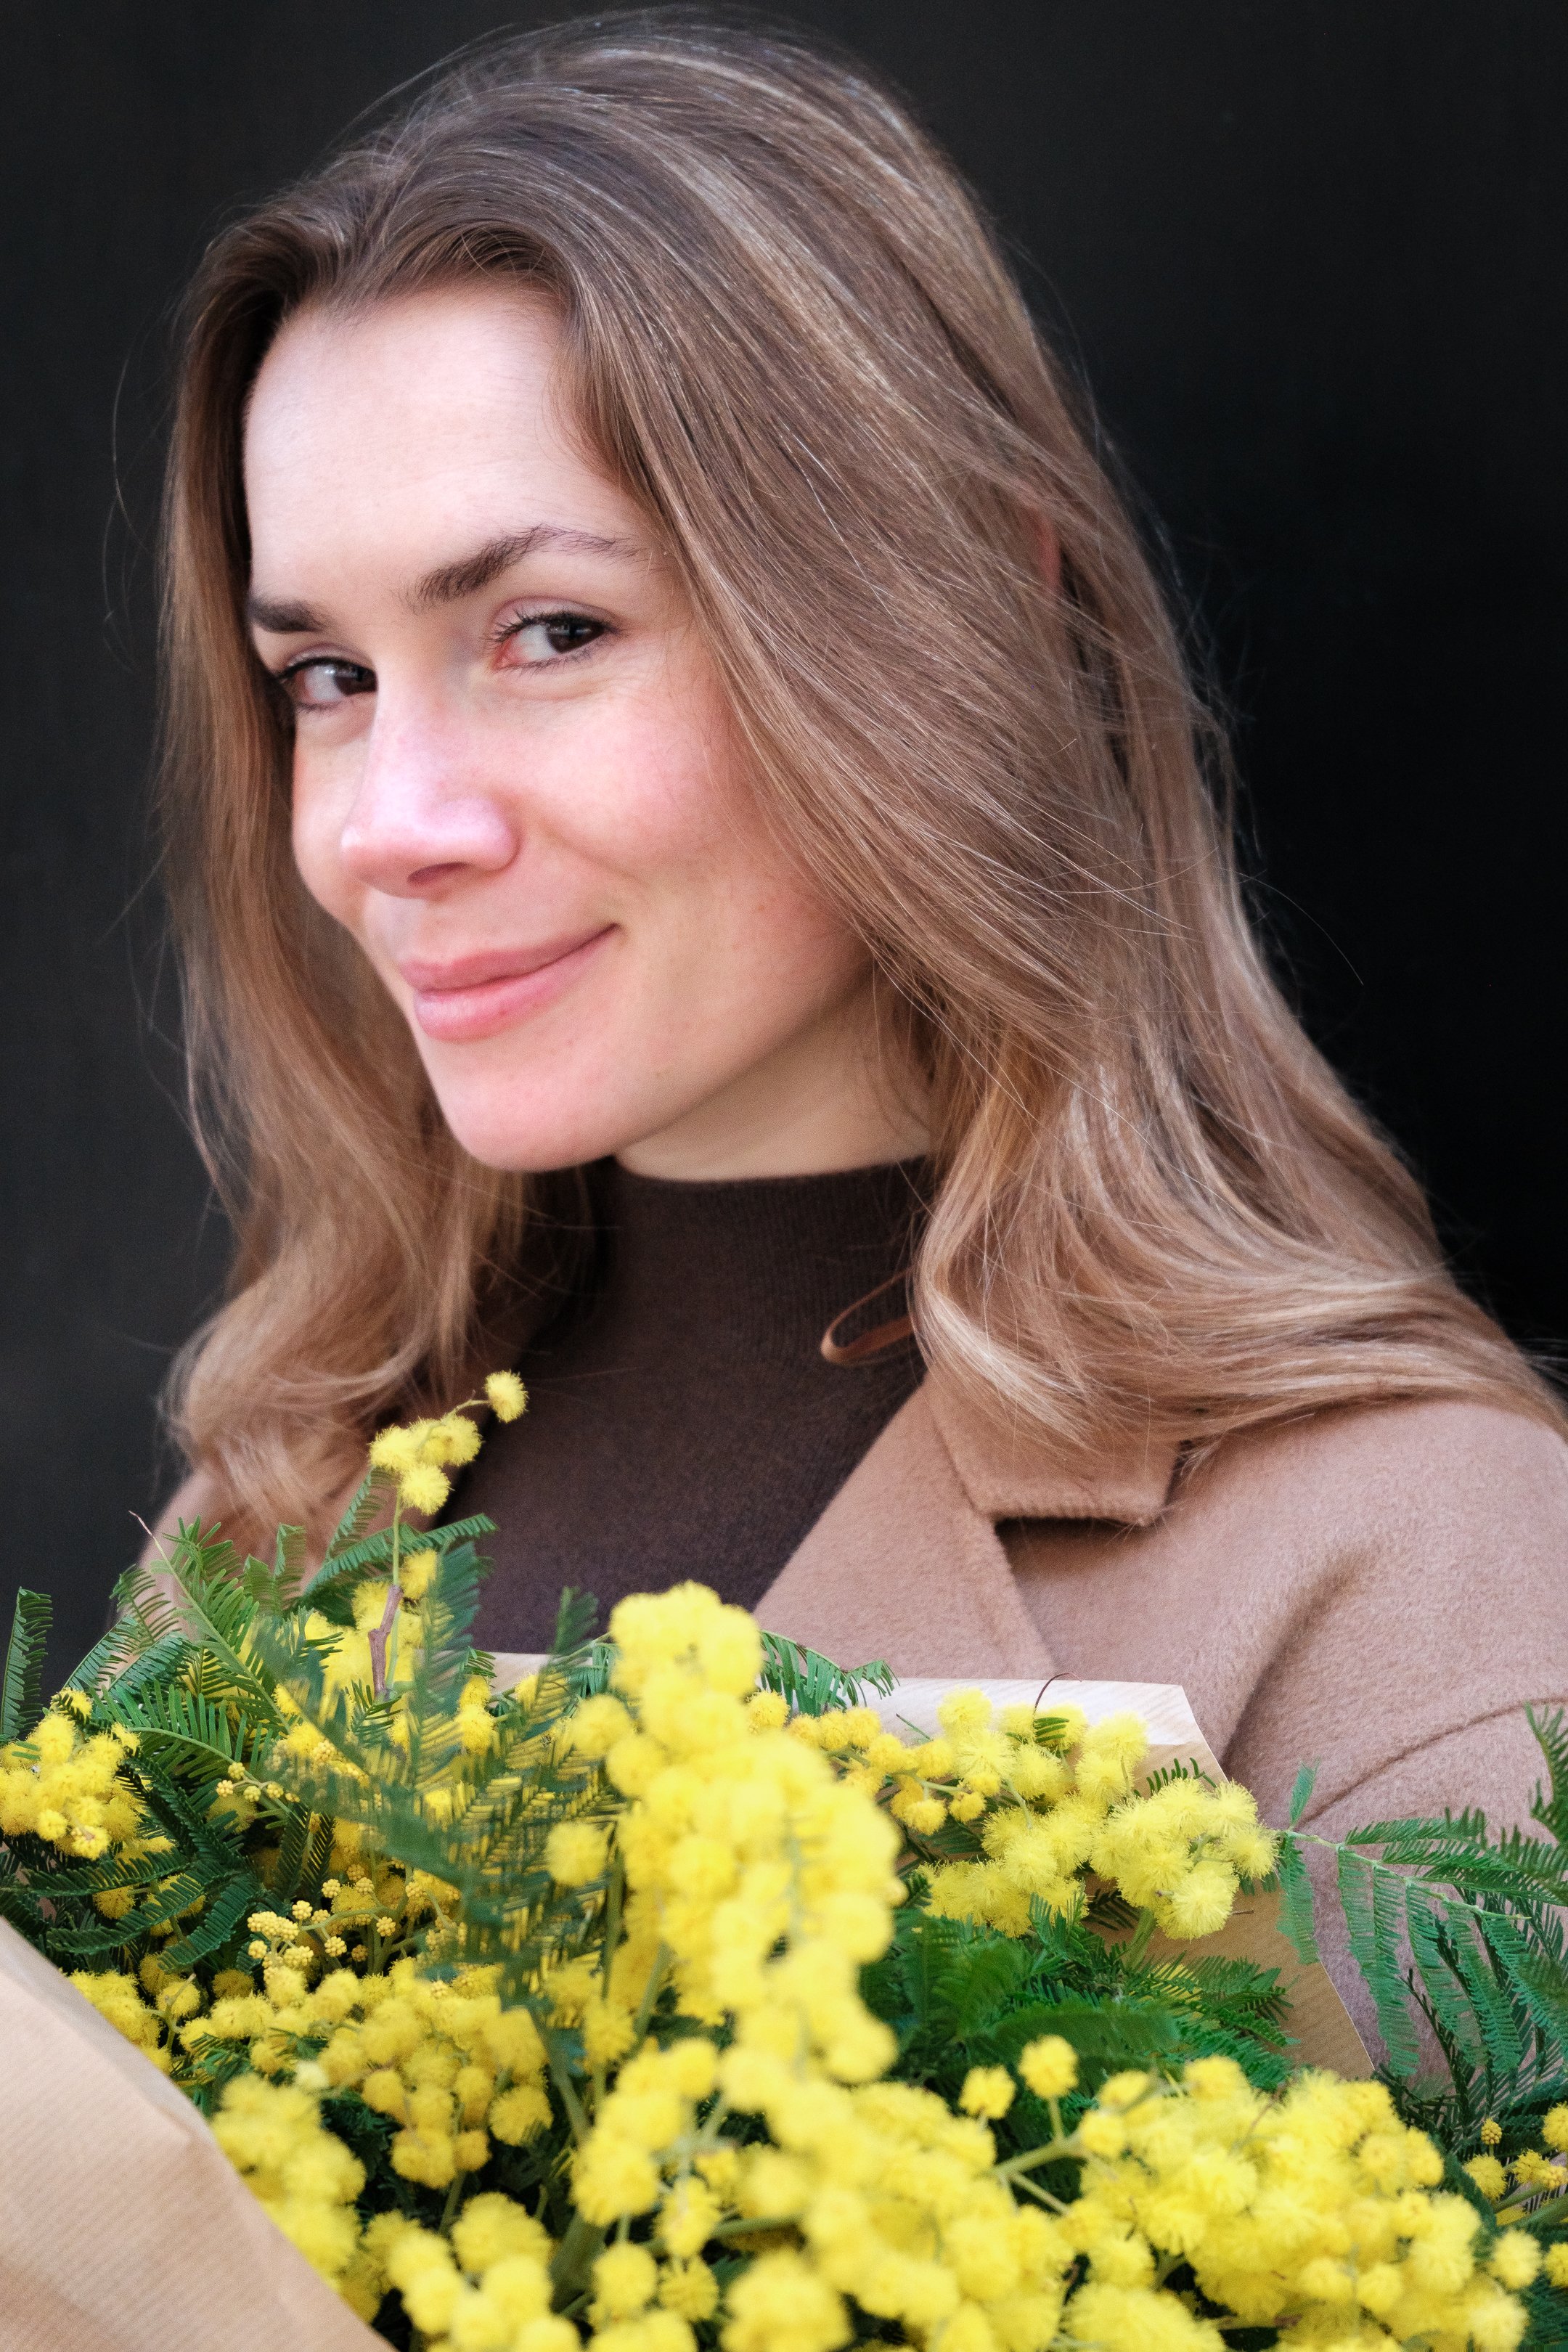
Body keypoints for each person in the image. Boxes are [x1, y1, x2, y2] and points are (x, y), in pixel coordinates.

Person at [151, 11, 1567, 1894]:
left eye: (550, 631)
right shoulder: (271, 1519)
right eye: (324, 678)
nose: (384, 824)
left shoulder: (1424, 1573)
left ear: (969, 603)